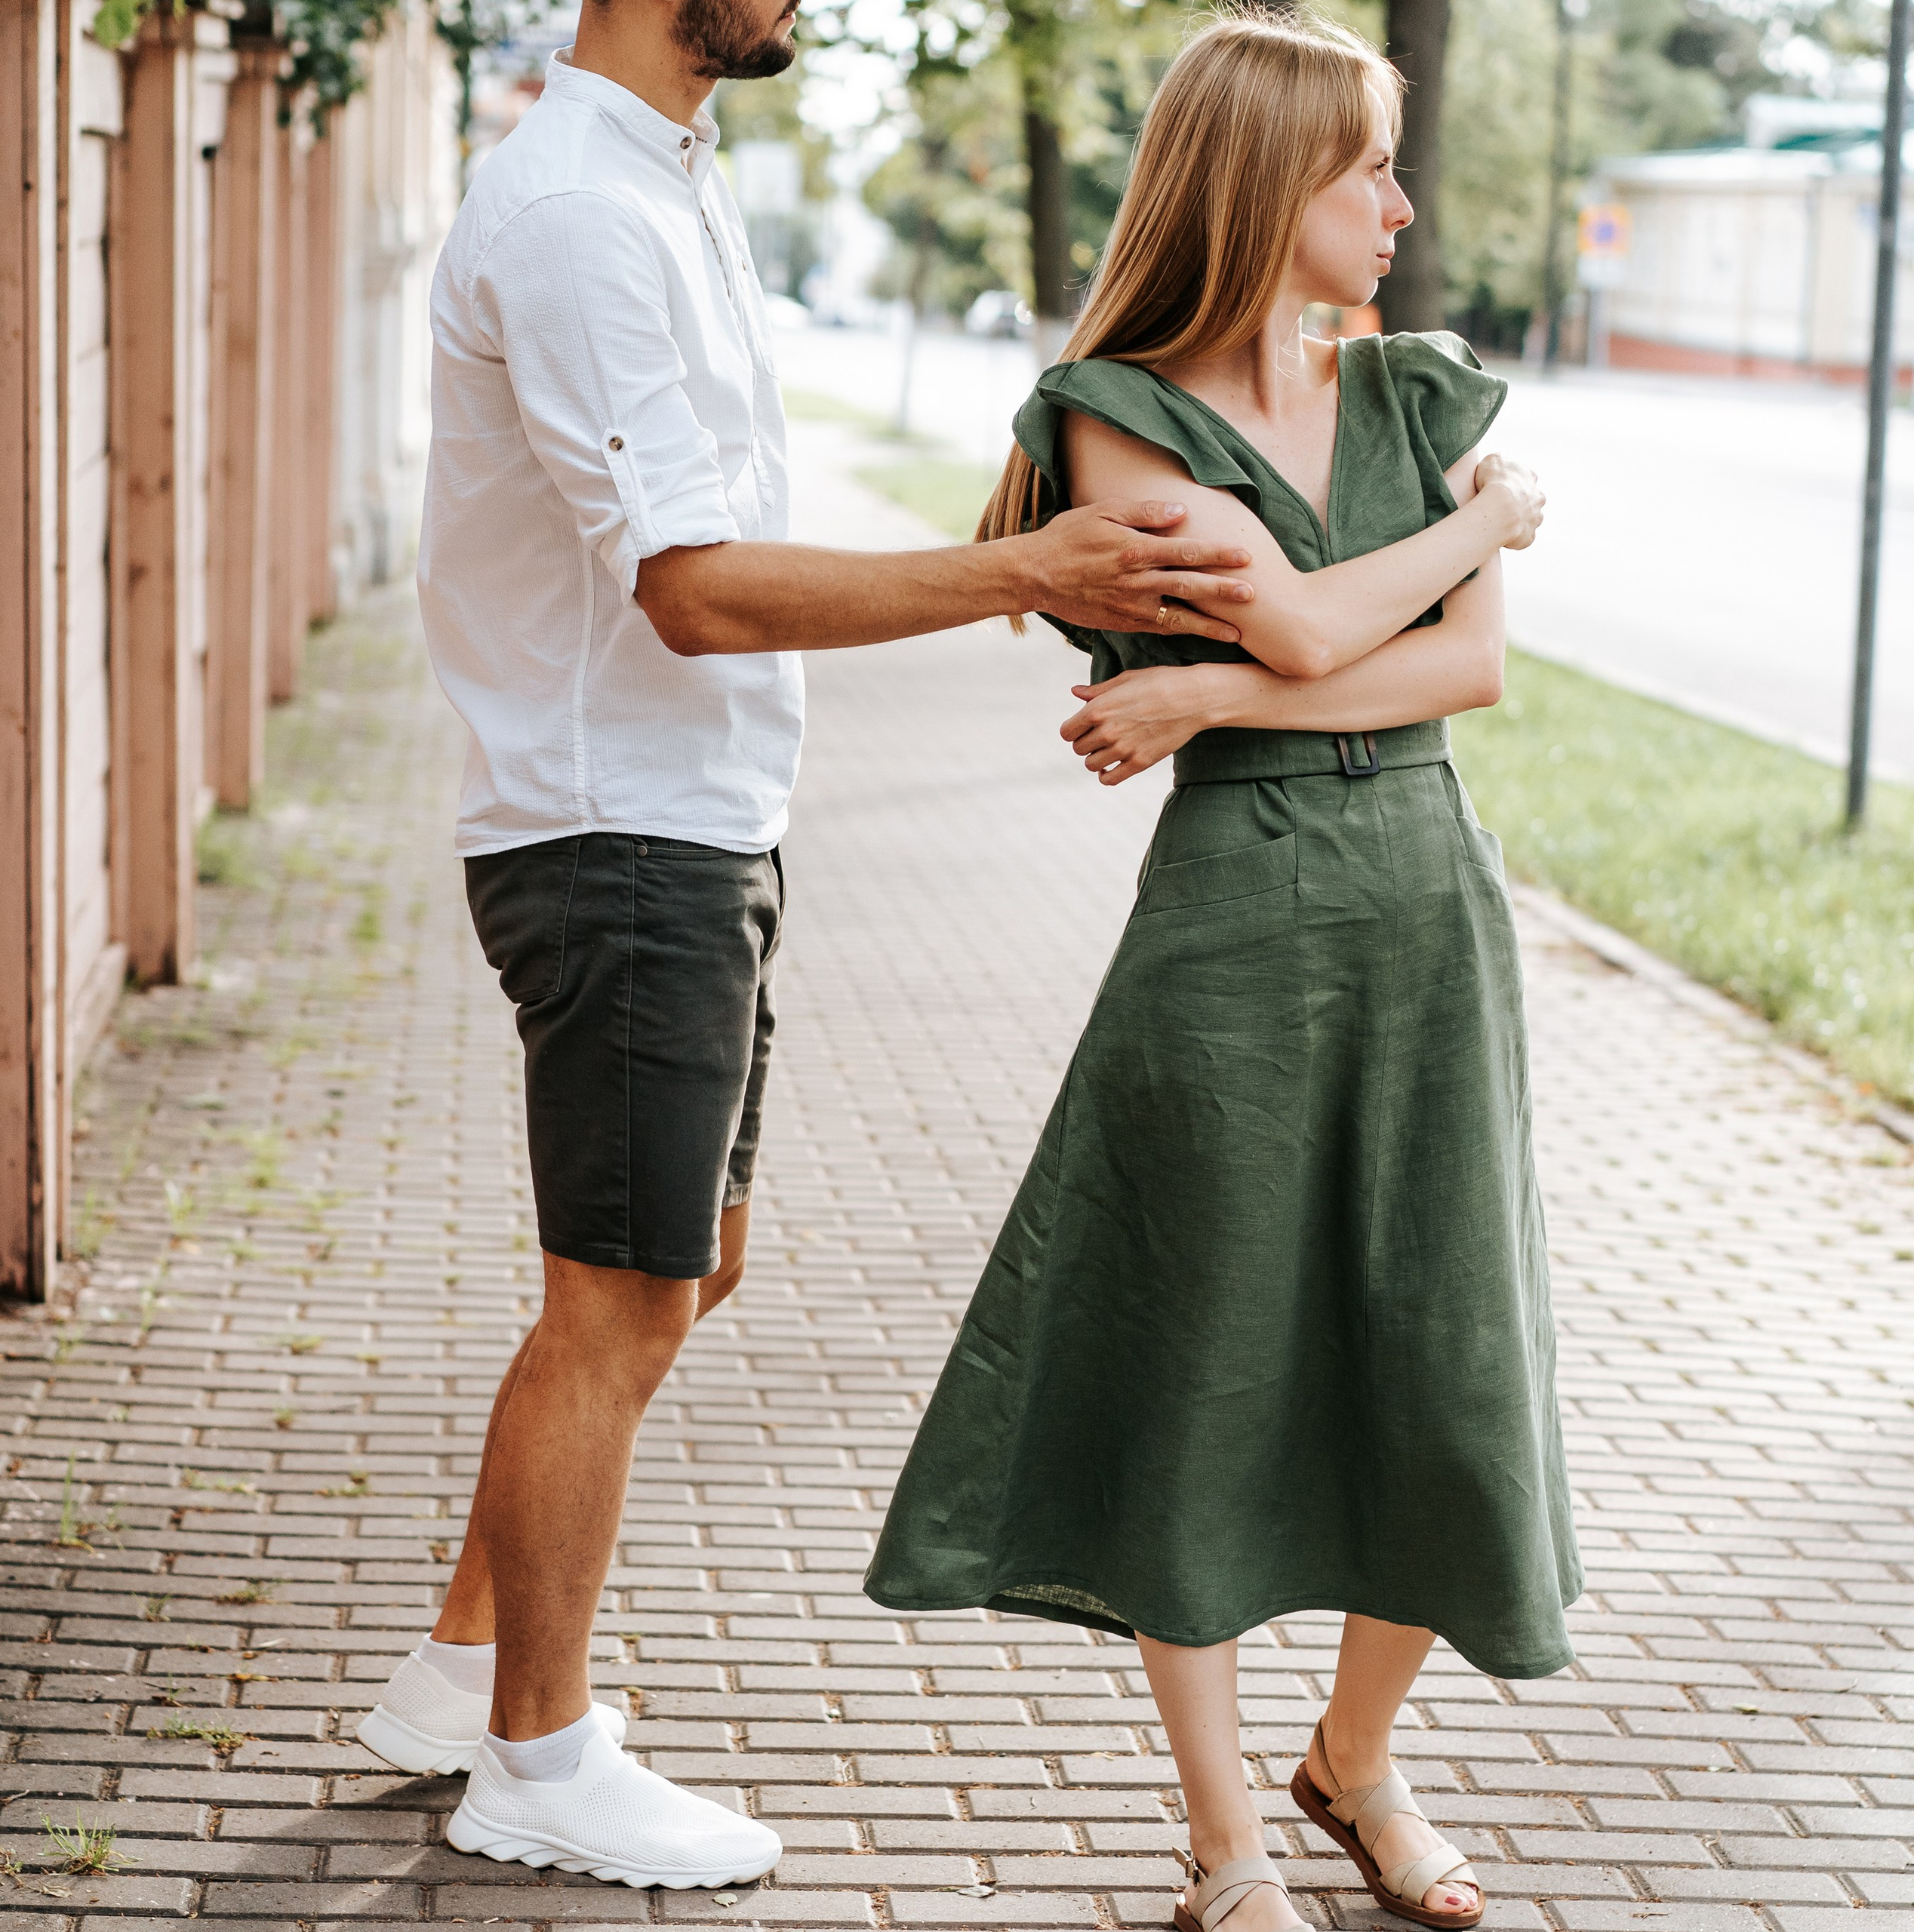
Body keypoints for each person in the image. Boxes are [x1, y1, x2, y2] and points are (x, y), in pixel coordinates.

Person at [352, 0, 1266, 1892]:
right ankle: (536, 1753)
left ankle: (459, 1677)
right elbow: (688, 591)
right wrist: (1028, 573)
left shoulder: (671, 179)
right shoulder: (581, 219)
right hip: (617, 829)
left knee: (680, 1269)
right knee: (616, 1295)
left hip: (700, 821)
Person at [862, 13, 1583, 1931]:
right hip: (1234, 922)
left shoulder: (1419, 387)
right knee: (1203, 1357)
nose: (1398, 204)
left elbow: (1461, 672)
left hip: (1425, 899)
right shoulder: (1114, 408)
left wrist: (1210, 689)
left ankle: (1354, 1759)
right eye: (1367, 167)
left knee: (1434, 1348)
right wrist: (1469, 533)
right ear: (1270, 180)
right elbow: (1320, 607)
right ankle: (1225, 1844)